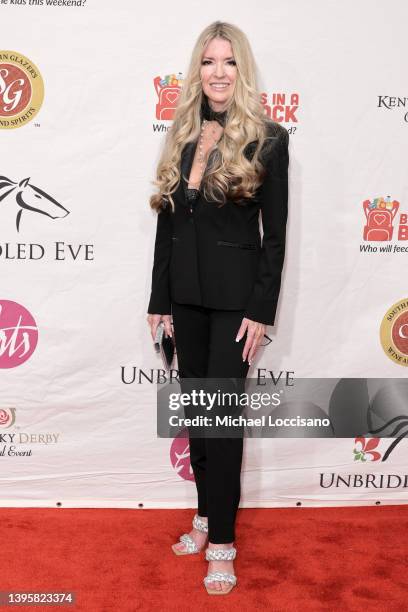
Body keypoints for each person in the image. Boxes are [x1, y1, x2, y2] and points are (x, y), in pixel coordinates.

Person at [146, 20, 289, 595]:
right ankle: (205, 515)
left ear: (242, 70)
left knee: (223, 424)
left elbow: (275, 235)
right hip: (186, 300)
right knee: (200, 423)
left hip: (237, 307)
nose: (219, 73)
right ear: (197, 71)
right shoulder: (182, 134)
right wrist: (160, 300)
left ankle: (224, 542)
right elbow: (167, 226)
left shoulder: (269, 137)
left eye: (229, 62)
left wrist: (262, 310)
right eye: (209, 62)